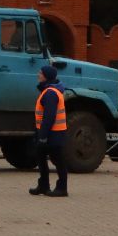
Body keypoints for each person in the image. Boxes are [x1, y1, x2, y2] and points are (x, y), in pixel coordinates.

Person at [30, 64, 69, 198]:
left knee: (58, 159)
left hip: (54, 133)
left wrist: (43, 136)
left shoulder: (51, 93)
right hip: (48, 131)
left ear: (46, 76)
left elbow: (49, 116)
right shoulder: (47, 91)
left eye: (40, 73)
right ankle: (43, 185)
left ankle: (62, 188)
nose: (38, 75)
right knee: (40, 157)